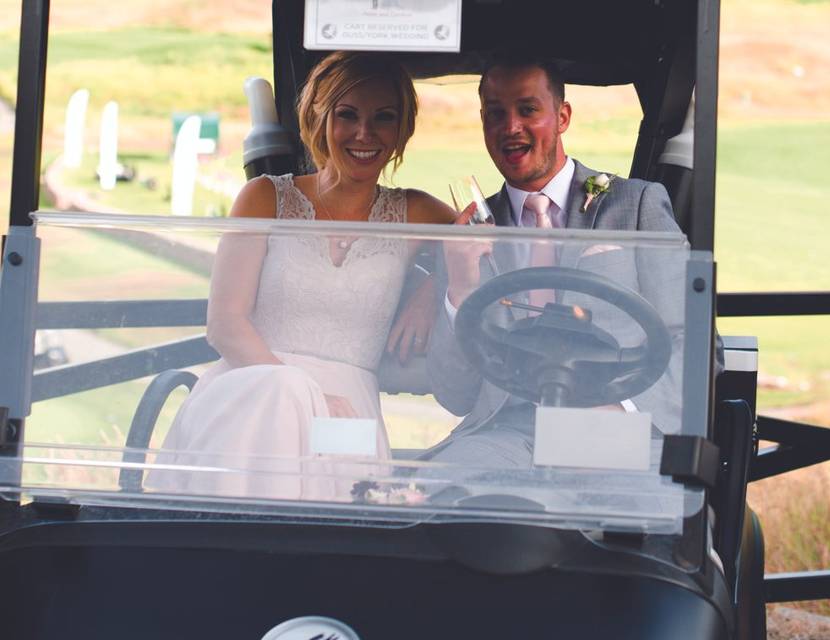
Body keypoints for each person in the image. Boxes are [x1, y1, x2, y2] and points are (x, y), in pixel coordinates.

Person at [149, 51, 455, 500]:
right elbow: (224, 325)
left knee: (332, 495)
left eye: (382, 118)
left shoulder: (417, 211)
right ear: (319, 115)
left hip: (346, 419)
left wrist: (434, 287)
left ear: (402, 128)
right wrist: (306, 398)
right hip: (250, 391)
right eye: (347, 115)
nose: (364, 134)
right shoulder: (263, 198)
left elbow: (491, 251)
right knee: (278, 400)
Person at [424, 54, 687, 468]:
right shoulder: (470, 234)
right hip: (504, 434)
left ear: (562, 116)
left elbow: (694, 343)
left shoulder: (634, 204)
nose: (511, 127)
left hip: (609, 421)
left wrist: (624, 411)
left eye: (527, 109)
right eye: (496, 114)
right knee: (446, 493)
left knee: (608, 515)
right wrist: (460, 284)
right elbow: (454, 394)